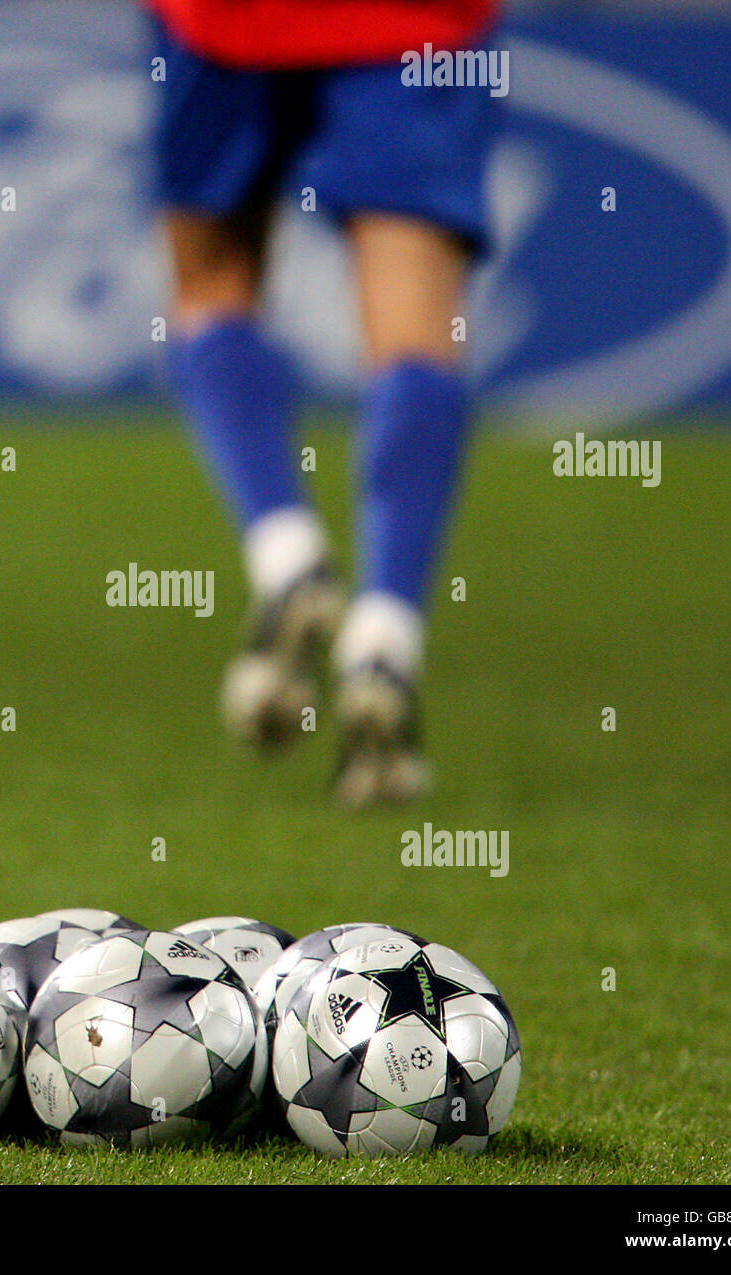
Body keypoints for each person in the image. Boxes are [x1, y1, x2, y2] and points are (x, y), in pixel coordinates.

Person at [147, 0, 500, 806]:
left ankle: (285, 551)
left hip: (225, 21)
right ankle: (384, 637)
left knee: (211, 283)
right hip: (412, 20)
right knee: (413, 316)